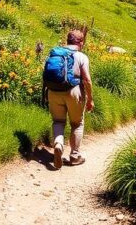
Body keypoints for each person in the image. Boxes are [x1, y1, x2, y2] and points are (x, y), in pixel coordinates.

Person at [45, 29, 94, 169]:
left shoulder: (55, 53)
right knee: (77, 123)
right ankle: (74, 156)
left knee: (58, 121)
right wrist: (90, 99)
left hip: (53, 92)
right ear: (81, 42)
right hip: (74, 92)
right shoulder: (81, 56)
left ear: (67, 40)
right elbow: (87, 80)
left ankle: (59, 144)